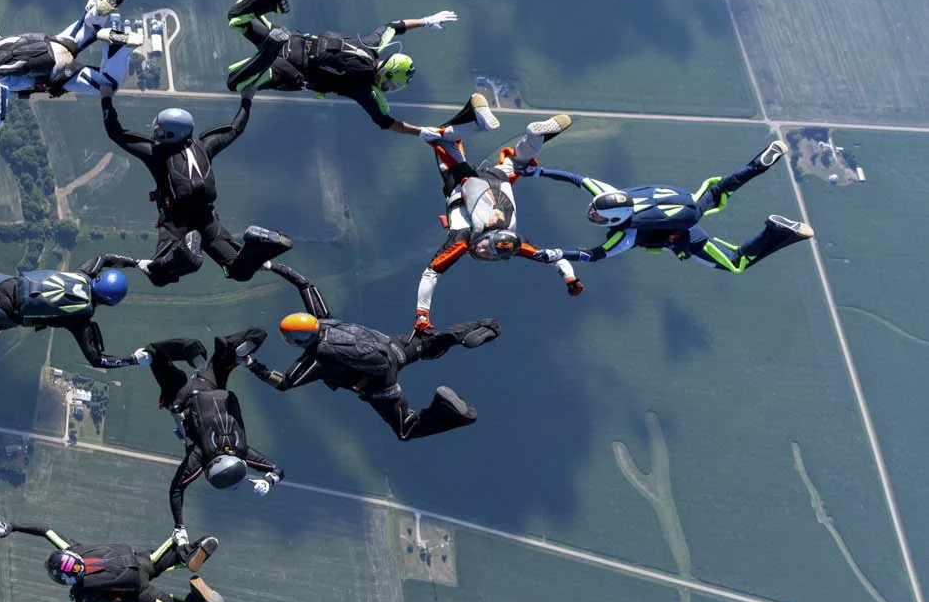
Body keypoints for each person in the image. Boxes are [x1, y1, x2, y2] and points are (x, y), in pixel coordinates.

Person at [242, 276, 496, 442]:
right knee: (428, 344)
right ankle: (481, 327)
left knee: (406, 428)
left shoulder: (316, 359)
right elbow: (306, 285)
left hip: (379, 385)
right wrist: (273, 266)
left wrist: (252, 364)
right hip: (394, 348)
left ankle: (452, 411)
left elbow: (284, 382)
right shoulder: (326, 322)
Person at [221, 0, 478, 132]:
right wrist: (422, 132)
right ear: (388, 73)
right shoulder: (364, 89)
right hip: (287, 69)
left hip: (292, 40)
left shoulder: (371, 46)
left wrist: (427, 20)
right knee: (235, 82)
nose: (387, 88)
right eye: (391, 84)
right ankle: (267, 50)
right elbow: (386, 122)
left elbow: (393, 26)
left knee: (237, 18)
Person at [523, 138, 815, 274]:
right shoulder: (610, 193)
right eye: (594, 210)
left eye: (597, 217)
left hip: (687, 235)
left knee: (737, 263)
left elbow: (594, 254)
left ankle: (774, 231)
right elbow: (576, 179)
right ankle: (760, 162)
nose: (591, 214)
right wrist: (537, 171)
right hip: (685, 203)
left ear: (615, 220)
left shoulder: (626, 235)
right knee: (719, 189)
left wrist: (559, 253)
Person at [97, 93, 293, 287]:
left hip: (176, 222)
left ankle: (188, 253)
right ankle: (258, 246)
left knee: (159, 276)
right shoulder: (205, 146)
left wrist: (106, 97)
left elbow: (116, 133)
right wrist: (247, 99)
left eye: (160, 131)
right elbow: (235, 128)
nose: (156, 134)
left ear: (171, 134)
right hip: (207, 220)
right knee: (239, 271)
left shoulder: (156, 154)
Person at [414, 116, 580, 332]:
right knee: (442, 140)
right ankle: (466, 126)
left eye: (488, 253)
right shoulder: (461, 241)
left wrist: (570, 278)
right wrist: (422, 314)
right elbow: (430, 274)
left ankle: (534, 137)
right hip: (462, 184)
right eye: (487, 248)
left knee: (518, 161)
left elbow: (556, 258)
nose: (483, 251)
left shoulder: (515, 243)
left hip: (499, 180)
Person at [0, 221, 145, 372]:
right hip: (7, 310)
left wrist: (137, 262)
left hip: (9, 283)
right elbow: (97, 360)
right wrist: (133, 359)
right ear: (109, 303)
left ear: (99, 278)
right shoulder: (80, 319)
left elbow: (105, 258)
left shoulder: (83, 274)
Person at [146, 334, 281, 529]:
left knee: (241, 343)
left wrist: (269, 481)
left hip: (211, 384)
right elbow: (176, 490)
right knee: (154, 353)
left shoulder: (241, 451)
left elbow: (277, 471)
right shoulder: (199, 456)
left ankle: (230, 350)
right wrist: (179, 527)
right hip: (181, 396)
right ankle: (193, 349)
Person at [0, 0, 141, 128]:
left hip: (60, 71)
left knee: (109, 85)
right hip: (55, 44)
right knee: (89, 26)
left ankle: (117, 48)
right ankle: (97, 12)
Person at [6, 524, 222, 602]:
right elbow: (46, 530)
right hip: (141, 562)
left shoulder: (84, 595)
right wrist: (12, 527)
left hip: (140, 595)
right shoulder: (74, 549)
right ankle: (192, 550)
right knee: (170, 558)